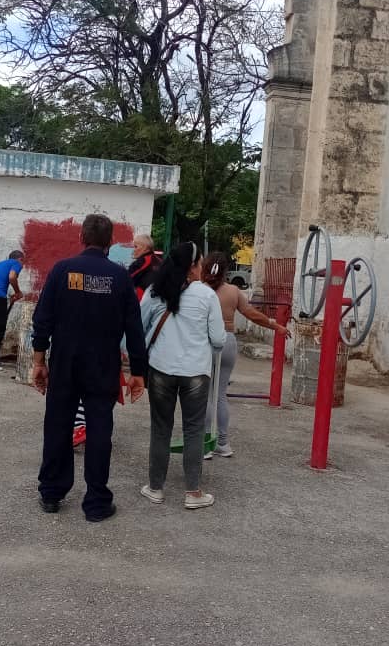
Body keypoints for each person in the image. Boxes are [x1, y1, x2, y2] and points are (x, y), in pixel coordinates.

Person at [31, 214, 147, 522]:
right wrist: (138, 372)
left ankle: (52, 493)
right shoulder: (120, 278)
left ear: (82, 237)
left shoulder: (61, 270)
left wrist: (39, 362)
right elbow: (134, 329)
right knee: (99, 431)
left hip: (65, 363)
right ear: (110, 242)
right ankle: (96, 502)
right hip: (103, 367)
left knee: (58, 426)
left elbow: (42, 320)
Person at [139, 242, 225, 510]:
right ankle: (193, 492)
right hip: (196, 373)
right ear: (193, 266)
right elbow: (219, 339)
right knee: (194, 430)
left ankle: (155, 488)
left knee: (161, 429)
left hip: (161, 368)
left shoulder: (155, 291)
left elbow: (139, 328)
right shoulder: (207, 295)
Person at [201, 251, 292, 460]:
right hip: (228, 342)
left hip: (205, 342)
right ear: (225, 270)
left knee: (205, 394)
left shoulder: (199, 291)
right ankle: (223, 443)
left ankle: (205, 444)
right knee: (220, 394)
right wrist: (275, 325)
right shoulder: (233, 291)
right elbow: (251, 314)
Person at [128, 233, 160, 300]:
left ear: (145, 248)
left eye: (136, 247)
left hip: (141, 300)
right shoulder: (160, 261)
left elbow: (126, 279)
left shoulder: (142, 261)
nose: (133, 250)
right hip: (157, 301)